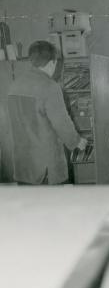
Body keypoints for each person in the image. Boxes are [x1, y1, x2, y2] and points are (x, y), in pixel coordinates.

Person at [7, 40, 87, 185]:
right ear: (52, 62)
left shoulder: (14, 86)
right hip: (45, 168)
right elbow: (62, 123)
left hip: (22, 166)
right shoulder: (50, 87)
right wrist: (77, 141)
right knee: (52, 207)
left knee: (29, 207)